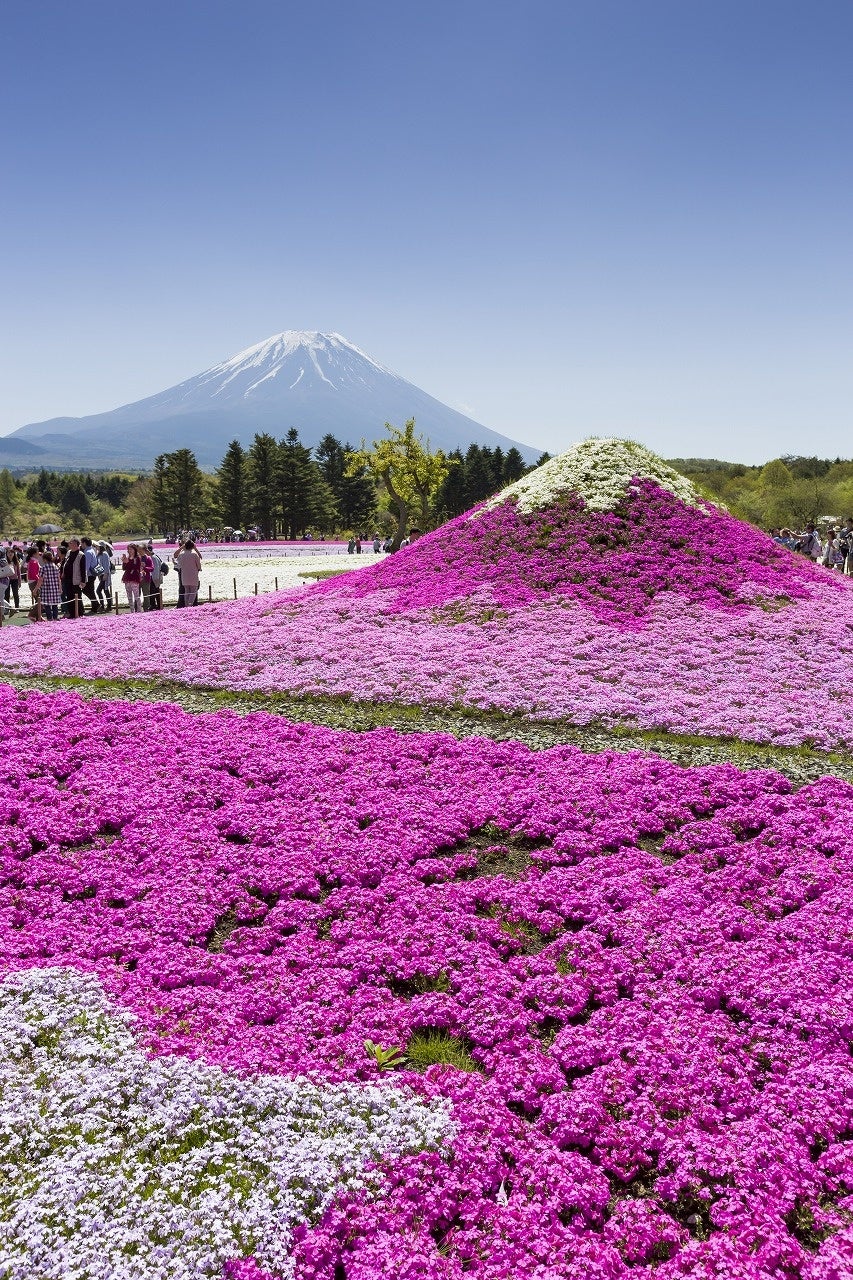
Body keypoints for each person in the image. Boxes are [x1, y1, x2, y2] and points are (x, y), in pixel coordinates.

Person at [61, 537, 87, 619]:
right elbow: (64, 563)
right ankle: (71, 613)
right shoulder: (68, 552)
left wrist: (83, 581)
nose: (69, 544)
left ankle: (80, 613)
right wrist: (62, 572)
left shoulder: (81, 555)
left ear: (76, 544)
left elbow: (83, 569)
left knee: (77, 597)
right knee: (69, 597)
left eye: (71, 543)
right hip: (67, 579)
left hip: (76, 579)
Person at [174, 539, 202, 606]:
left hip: (184, 576)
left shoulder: (181, 555)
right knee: (193, 592)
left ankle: (186, 605)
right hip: (193, 576)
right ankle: (190, 605)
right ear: (192, 546)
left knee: (186, 591)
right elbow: (199, 566)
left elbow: (178, 564)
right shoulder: (194, 554)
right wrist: (199, 569)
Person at [38, 550, 62, 621]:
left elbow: (40, 580)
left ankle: (49, 618)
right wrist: (60, 588)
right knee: (55, 605)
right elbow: (59, 579)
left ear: (45, 559)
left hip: (46, 589)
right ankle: (55, 618)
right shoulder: (56, 567)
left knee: (47, 605)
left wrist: (36, 589)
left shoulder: (43, 568)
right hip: (55, 588)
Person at [121, 543, 143, 612]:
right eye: (128, 549)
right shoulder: (127, 558)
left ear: (134, 550)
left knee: (136, 596)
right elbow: (124, 568)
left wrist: (128, 562)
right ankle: (132, 611)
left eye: (131, 549)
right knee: (129, 596)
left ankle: (139, 610)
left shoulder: (137, 558)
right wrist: (124, 562)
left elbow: (136, 567)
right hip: (127, 578)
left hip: (134, 578)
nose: (129, 551)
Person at [95, 541, 113, 610]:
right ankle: (108, 605)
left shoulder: (105, 554)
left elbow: (106, 565)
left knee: (99, 590)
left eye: (97, 546)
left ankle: (104, 605)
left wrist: (106, 574)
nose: (96, 547)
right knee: (105, 591)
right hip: (101, 574)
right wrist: (98, 574)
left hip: (105, 574)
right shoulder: (99, 554)